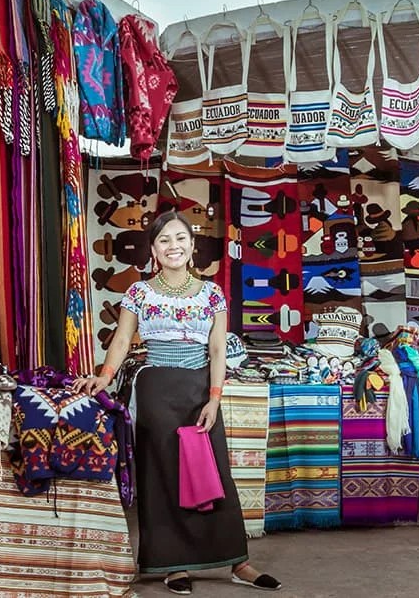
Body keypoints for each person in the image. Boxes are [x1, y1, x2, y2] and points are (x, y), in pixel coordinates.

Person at [76, 210, 281, 595]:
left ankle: (238, 562)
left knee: (214, 473)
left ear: (192, 246)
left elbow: (218, 348)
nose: (174, 246)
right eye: (164, 240)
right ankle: (173, 566)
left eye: (180, 239)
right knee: (164, 477)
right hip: (156, 391)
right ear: (153, 250)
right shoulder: (139, 292)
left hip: (199, 392)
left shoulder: (212, 293)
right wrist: (102, 379)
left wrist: (215, 398)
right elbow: (121, 341)